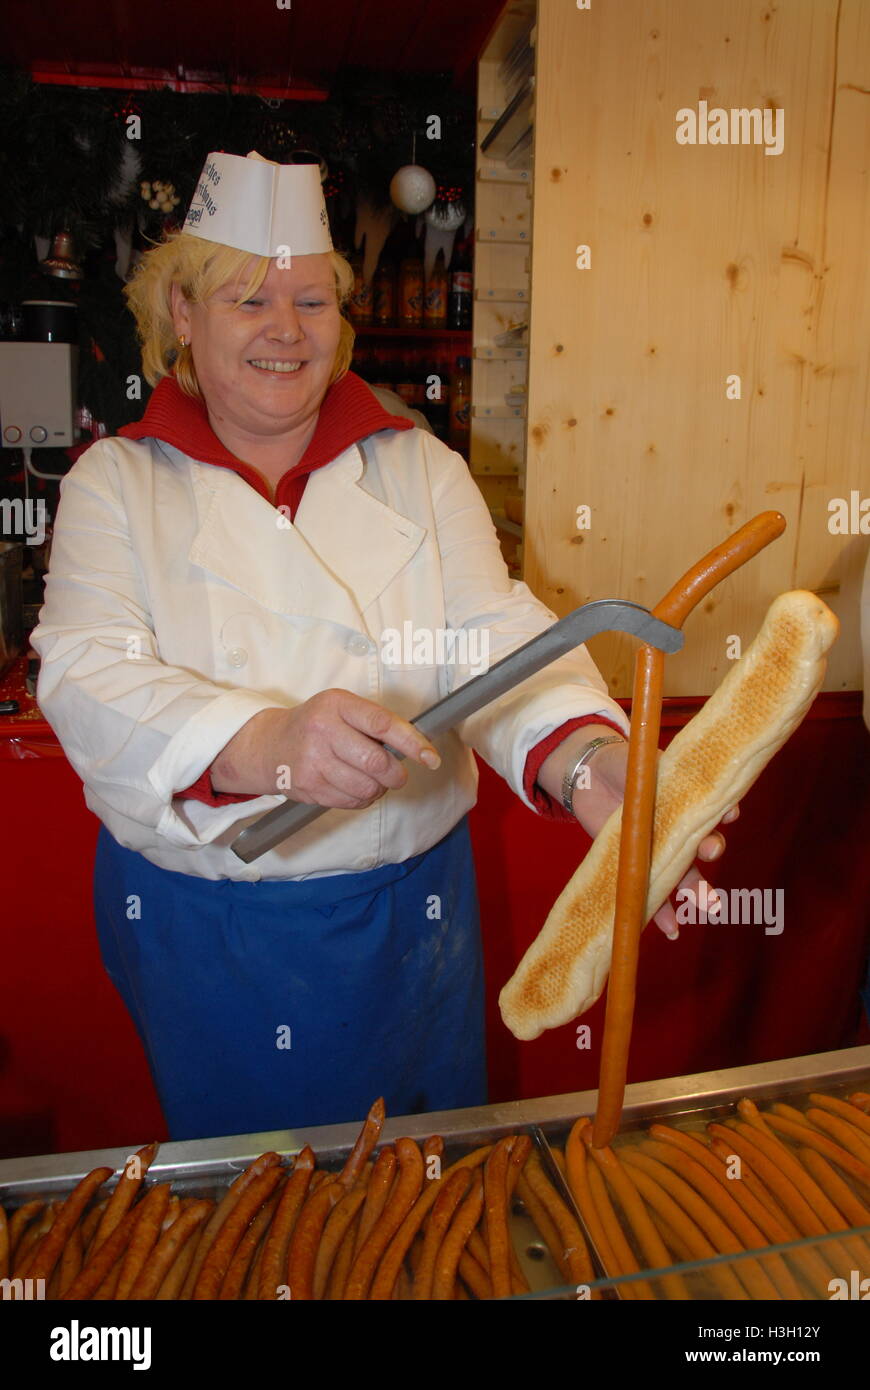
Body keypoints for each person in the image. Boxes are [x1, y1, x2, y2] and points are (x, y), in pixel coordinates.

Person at [33, 152, 735, 1141]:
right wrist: (266, 742)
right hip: (211, 927)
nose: (286, 328)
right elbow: (86, 670)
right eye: (249, 298)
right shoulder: (117, 482)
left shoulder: (418, 466)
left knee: (428, 1189)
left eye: (312, 299)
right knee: (266, 1213)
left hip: (415, 913)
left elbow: (489, 635)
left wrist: (588, 762)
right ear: (182, 311)